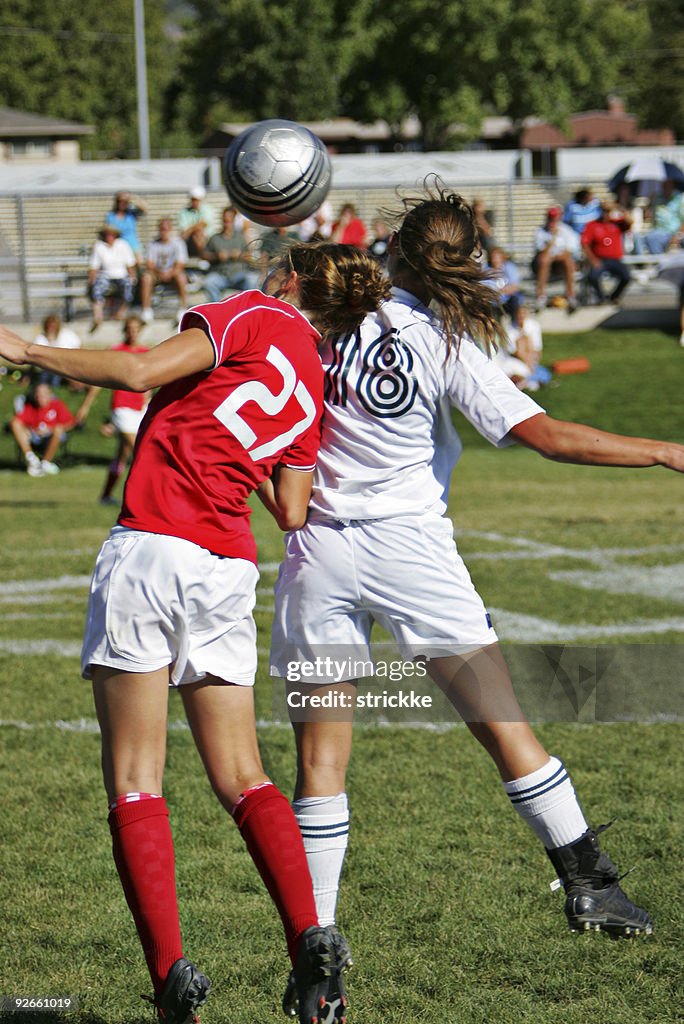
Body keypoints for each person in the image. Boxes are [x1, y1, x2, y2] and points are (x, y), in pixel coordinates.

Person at [268, 186, 684, 1014]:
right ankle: (589, 885)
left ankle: (318, 950)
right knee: (504, 727)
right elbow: (545, 435)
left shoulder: (316, 323)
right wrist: (665, 450)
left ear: (394, 248)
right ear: (461, 263)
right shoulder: (445, 342)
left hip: (316, 550)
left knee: (320, 763)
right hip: (412, 554)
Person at [0, 243, 390, 1024]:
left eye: (279, 264)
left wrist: (27, 351)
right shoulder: (313, 382)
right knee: (244, 774)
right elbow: (289, 509)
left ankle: (171, 972)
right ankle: (309, 931)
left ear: (295, 281)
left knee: (137, 778)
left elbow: (143, 370)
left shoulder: (253, 312)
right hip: (225, 566)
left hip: (151, 546)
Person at [74, 316, 151, 505]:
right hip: (122, 408)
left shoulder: (145, 352)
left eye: (135, 328)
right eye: (129, 328)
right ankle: (146, 498)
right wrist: (85, 406)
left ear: (140, 330)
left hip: (140, 409)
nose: (132, 332)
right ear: (124, 330)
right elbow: (98, 381)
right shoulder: (116, 351)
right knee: (141, 451)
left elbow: (149, 384)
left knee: (122, 454)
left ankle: (106, 495)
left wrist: (148, 404)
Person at [9, 380, 76, 476]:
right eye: (38, 394)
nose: (40, 397)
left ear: (50, 394)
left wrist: (51, 429)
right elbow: (18, 421)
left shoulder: (57, 405)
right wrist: (30, 430)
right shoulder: (31, 407)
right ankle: (32, 459)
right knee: (14, 422)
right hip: (34, 436)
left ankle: (45, 463)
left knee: (58, 429)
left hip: (51, 436)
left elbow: (70, 422)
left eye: (44, 394)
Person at [202, 207, 260, 302]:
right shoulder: (215, 238)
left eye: (229, 221)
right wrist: (216, 256)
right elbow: (204, 255)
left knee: (252, 280)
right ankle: (218, 308)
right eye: (225, 221)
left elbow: (250, 256)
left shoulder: (240, 237)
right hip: (220, 274)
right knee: (209, 282)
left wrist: (240, 255)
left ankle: (247, 308)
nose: (227, 224)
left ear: (233, 221)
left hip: (238, 274)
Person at [581, 200, 632, 305]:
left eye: (608, 211)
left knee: (626, 276)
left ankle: (614, 297)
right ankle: (601, 297)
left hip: (615, 259)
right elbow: (585, 244)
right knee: (593, 276)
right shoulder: (592, 225)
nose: (606, 214)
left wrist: (618, 206)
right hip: (600, 259)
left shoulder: (616, 223)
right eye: (604, 211)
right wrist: (593, 259)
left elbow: (630, 221)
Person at [88, 224, 137, 331]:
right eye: (107, 234)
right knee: (97, 288)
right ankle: (98, 316)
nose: (109, 236)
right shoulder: (99, 246)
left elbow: (130, 264)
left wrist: (132, 277)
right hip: (105, 274)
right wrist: (91, 281)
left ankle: (119, 314)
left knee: (128, 286)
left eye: (111, 234)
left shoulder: (123, 245)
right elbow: (94, 266)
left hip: (121, 274)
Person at [140, 218, 189, 323]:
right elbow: (149, 264)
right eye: (162, 229)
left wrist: (170, 273)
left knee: (181, 277)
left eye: (166, 229)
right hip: (157, 274)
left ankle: (182, 307)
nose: (164, 231)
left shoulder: (178, 243)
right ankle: (146, 309)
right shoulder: (152, 244)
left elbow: (180, 263)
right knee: (146, 278)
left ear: (170, 229)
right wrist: (160, 272)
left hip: (173, 274)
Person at [532, 206, 579, 312]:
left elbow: (569, 251)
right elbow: (542, 252)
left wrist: (555, 256)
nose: (552, 221)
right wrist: (553, 238)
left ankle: (571, 295)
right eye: (550, 218)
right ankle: (541, 296)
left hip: (560, 263)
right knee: (545, 259)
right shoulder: (540, 232)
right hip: (544, 263)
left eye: (554, 218)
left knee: (568, 261)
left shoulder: (567, 231)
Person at [33, 314, 82, 389]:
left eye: (53, 326)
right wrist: (50, 340)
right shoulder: (41, 338)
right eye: (49, 326)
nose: (51, 329)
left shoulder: (67, 334)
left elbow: (78, 347)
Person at [105, 191, 148, 261]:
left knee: (139, 261)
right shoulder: (111, 216)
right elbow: (109, 231)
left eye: (125, 202)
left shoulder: (131, 214)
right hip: (118, 246)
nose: (122, 203)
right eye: (120, 201)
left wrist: (132, 198)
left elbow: (145, 207)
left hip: (133, 245)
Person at [176, 186, 217, 258]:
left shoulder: (207, 209)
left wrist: (190, 230)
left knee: (198, 234)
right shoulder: (184, 212)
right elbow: (183, 231)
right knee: (196, 234)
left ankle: (202, 256)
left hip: (207, 238)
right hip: (191, 239)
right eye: (193, 199)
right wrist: (193, 229)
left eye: (197, 200)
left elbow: (202, 225)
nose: (195, 202)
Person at [486, 246, 524, 321]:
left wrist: (500, 292)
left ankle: (514, 324)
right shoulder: (486, 269)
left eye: (497, 257)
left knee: (516, 300)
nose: (495, 260)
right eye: (493, 257)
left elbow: (515, 286)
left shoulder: (509, 267)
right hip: (491, 300)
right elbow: (483, 285)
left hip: (507, 299)